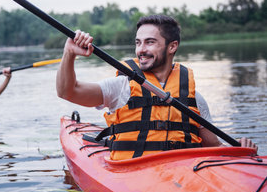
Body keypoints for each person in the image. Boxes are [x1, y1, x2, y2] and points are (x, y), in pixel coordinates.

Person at [56, 14, 258, 160]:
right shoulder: (122, 87)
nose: (141, 50)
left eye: (150, 42)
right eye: (138, 42)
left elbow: (214, 147)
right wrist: (69, 53)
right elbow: (67, 91)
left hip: (183, 176)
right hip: (133, 172)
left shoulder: (194, 98)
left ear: (172, 46)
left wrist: (240, 149)